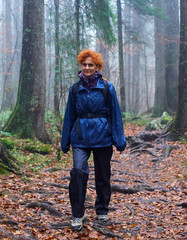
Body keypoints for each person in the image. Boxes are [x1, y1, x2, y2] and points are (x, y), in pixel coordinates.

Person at [61, 49, 126, 231]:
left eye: (91, 65)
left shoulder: (107, 87)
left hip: (103, 137)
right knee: (78, 172)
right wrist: (65, 141)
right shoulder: (75, 89)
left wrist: (119, 140)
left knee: (103, 176)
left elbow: (115, 115)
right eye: (85, 64)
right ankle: (77, 215)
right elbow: (69, 116)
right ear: (81, 66)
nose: (87, 68)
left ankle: (102, 210)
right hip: (80, 137)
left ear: (97, 66)